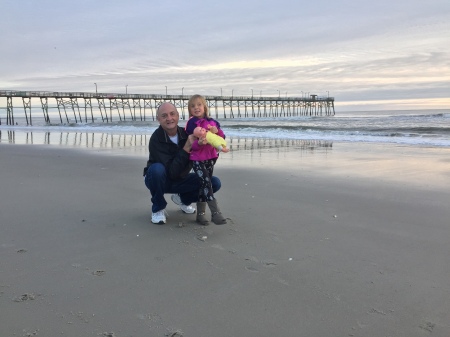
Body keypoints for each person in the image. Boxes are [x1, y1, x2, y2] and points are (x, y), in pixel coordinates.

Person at [143, 102, 221, 225]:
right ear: (158, 119)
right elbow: (171, 173)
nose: (169, 118)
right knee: (156, 169)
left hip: (181, 178)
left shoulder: (187, 134)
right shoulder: (156, 139)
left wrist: (213, 146)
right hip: (160, 180)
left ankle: (183, 199)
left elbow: (202, 158)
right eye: (164, 116)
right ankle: (158, 208)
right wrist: (186, 148)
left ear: (178, 115)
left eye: (172, 114)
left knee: (213, 182)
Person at [185, 94, 227, 225]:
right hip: (197, 158)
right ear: (189, 110)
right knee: (207, 182)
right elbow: (192, 142)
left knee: (204, 184)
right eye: (192, 106)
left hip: (211, 157)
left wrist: (217, 131)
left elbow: (221, 137)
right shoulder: (192, 124)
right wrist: (201, 142)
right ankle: (216, 213)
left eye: (199, 105)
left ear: (204, 107)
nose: (196, 108)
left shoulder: (213, 122)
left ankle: (201, 214)